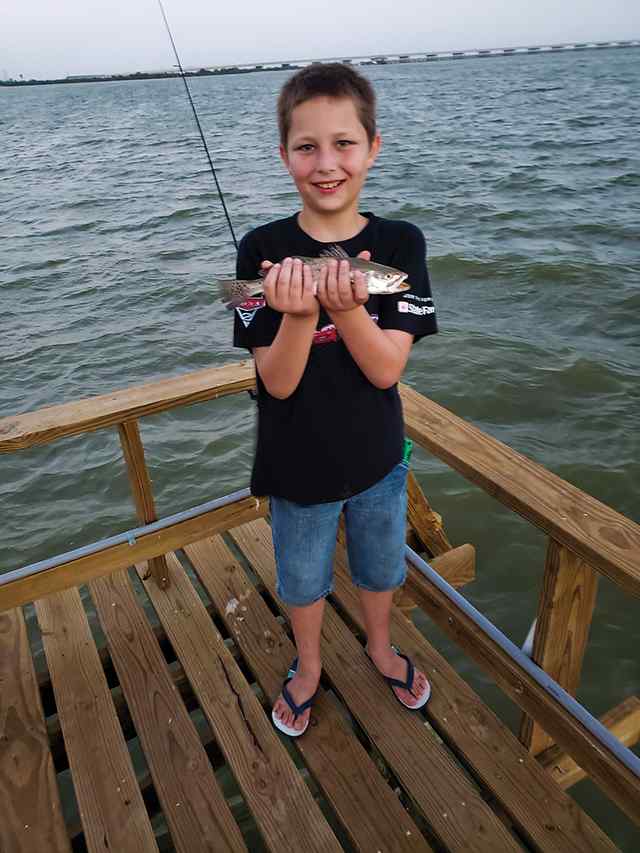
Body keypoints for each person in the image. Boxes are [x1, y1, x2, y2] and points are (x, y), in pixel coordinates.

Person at [233, 62, 438, 736]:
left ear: (373, 147)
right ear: (284, 154)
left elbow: (386, 372)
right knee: (300, 577)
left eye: (345, 143)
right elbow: (280, 382)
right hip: (296, 464)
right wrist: (296, 313)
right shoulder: (260, 250)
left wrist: (347, 310)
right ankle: (310, 663)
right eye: (307, 146)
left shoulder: (401, 245)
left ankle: (379, 646)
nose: (327, 163)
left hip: (380, 456)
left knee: (381, 564)